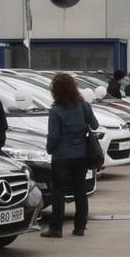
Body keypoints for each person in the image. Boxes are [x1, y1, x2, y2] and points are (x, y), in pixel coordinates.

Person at [42, 73, 98, 237]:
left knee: (58, 192)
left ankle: (56, 228)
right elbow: (95, 124)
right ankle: (80, 226)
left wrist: (50, 149)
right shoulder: (84, 106)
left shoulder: (56, 111)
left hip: (61, 156)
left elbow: (54, 137)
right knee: (80, 191)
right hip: (81, 155)